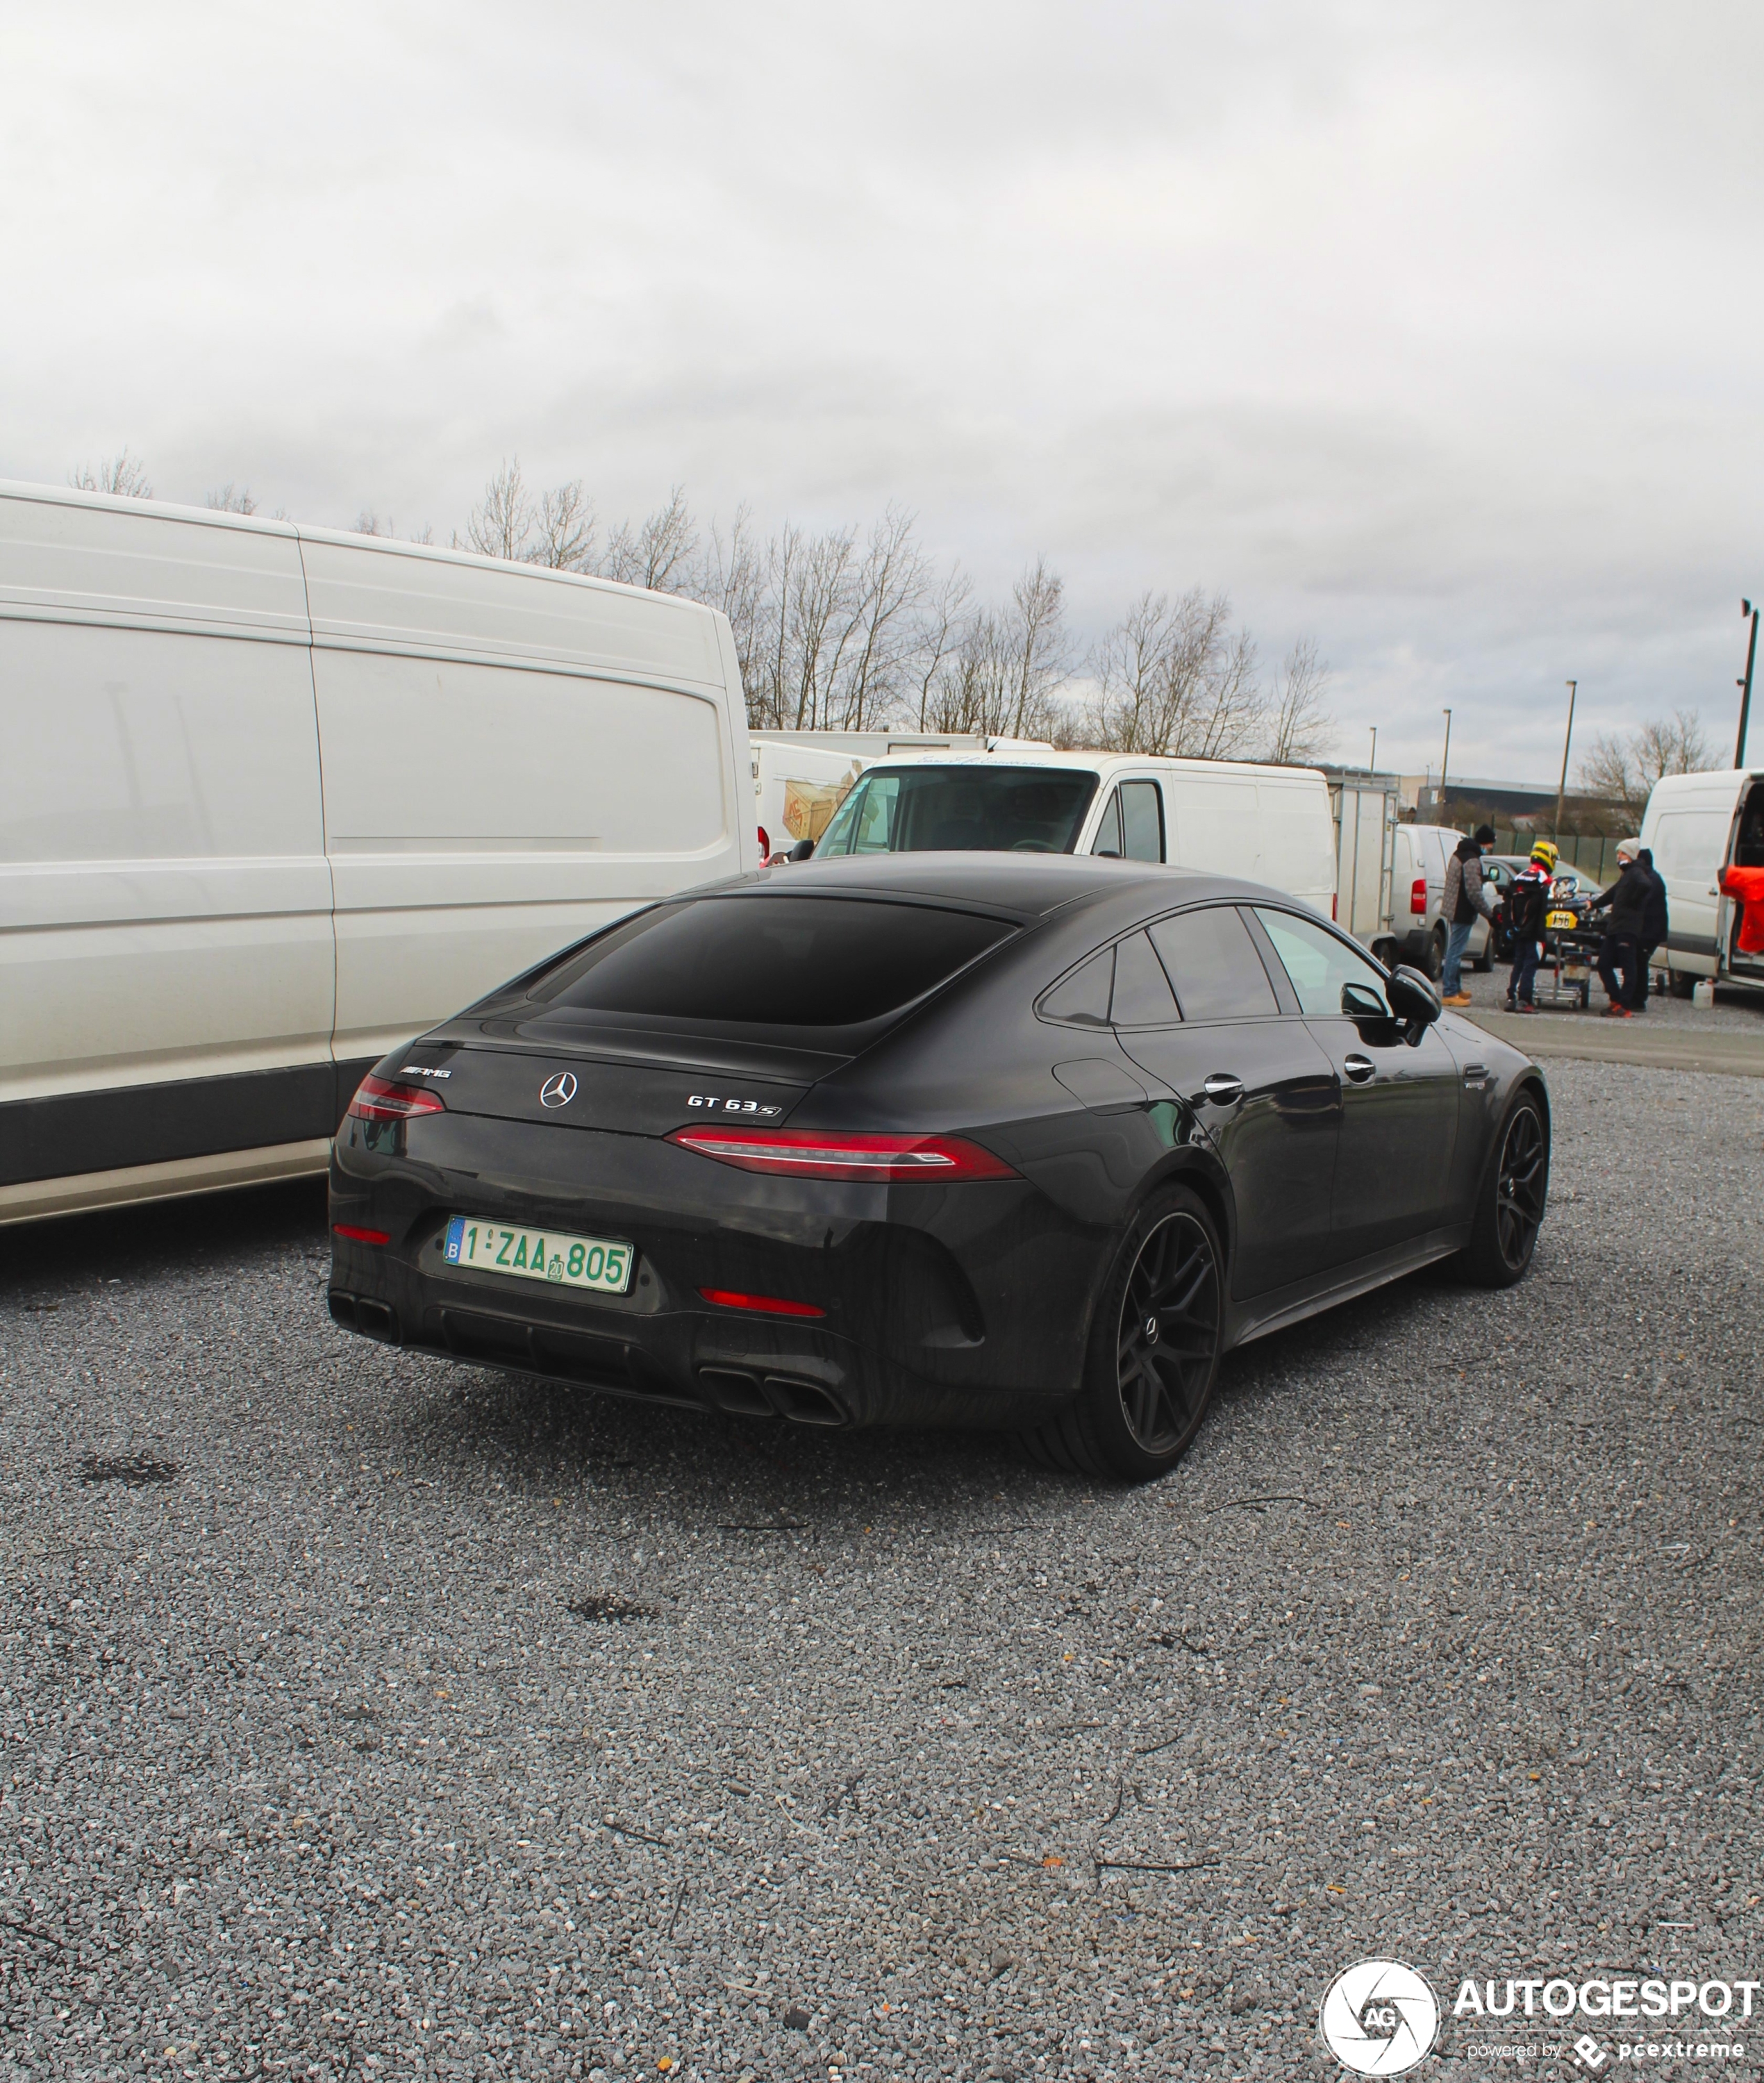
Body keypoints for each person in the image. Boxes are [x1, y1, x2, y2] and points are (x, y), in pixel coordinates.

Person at [1588, 838, 1648, 1018]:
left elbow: (1646, 885)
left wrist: (1633, 902)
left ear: (1629, 855)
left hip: (1627, 929)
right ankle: (1616, 999)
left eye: (1621, 853)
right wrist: (1593, 904)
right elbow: (1612, 894)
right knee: (1603, 964)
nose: (1618, 856)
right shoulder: (1626, 875)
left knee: (1629, 968)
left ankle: (1624, 1004)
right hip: (1615, 927)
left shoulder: (1636, 872)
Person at [1439, 824, 1498, 1006]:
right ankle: (1449, 992)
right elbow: (1474, 892)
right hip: (1461, 910)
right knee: (1455, 953)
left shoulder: (1460, 854)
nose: (1490, 848)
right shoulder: (1472, 860)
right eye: (1490, 845)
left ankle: (1455, 988)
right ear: (1485, 842)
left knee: (1454, 950)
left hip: (1453, 908)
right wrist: (1490, 915)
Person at [1504, 839, 1557, 1013]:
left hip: (1517, 929)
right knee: (1530, 964)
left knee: (1518, 963)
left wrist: (1511, 926)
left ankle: (1511, 997)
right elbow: (1544, 907)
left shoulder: (1519, 877)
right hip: (1533, 931)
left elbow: (1508, 903)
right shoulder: (1544, 880)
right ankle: (1525, 999)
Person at [1631, 845, 1668, 1013]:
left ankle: (1638, 999)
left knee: (1640, 961)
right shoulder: (1653, 877)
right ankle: (1637, 997)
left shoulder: (1649, 880)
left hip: (1649, 930)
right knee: (1640, 961)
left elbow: (1642, 903)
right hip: (1652, 930)